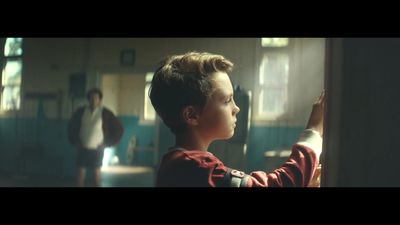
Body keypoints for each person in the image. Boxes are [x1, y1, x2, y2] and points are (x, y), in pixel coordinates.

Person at [149, 52, 324, 187]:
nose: (236, 108)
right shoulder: (195, 167)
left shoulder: (176, 162)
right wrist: (313, 132)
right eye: (226, 101)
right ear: (192, 115)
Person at [68, 88, 123, 187]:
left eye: (96, 98)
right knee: (80, 176)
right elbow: (71, 125)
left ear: (99, 100)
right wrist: (75, 141)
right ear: (88, 99)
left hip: (97, 150)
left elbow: (119, 129)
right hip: (82, 148)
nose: (93, 100)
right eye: (91, 97)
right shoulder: (81, 112)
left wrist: (107, 144)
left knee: (96, 177)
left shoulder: (105, 113)